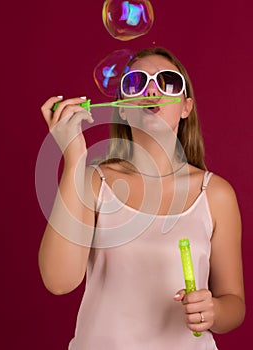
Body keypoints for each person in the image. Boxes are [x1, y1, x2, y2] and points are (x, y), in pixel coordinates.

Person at [39, 47, 245, 349]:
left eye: (167, 81)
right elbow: (58, 281)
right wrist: (74, 157)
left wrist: (213, 311)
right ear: (122, 107)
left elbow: (234, 304)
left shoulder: (215, 194)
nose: (152, 90)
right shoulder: (96, 181)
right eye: (136, 83)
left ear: (186, 107)